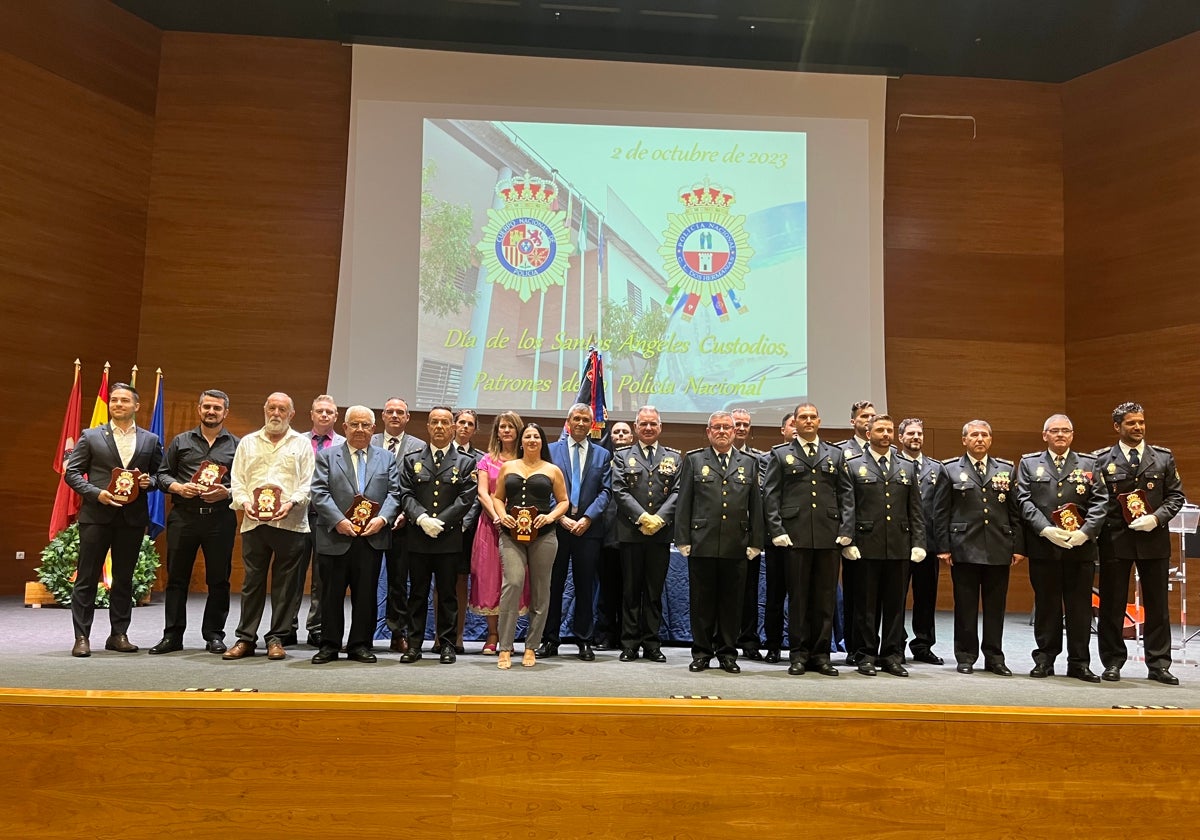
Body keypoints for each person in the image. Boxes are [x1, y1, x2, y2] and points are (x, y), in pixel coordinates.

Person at [64, 383, 163, 657]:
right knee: (86, 578)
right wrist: (96, 494)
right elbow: (72, 473)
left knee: (124, 579)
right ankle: (81, 637)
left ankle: (118, 634)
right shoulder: (91, 436)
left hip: (131, 519)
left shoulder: (150, 440)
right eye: (115, 400)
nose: (118, 404)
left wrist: (148, 481)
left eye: (124, 401)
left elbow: (159, 476)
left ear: (136, 406)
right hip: (96, 517)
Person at [1092, 402, 1186, 684]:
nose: (1138, 427)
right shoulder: (1102, 460)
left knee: (1157, 604)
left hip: (1153, 539)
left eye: (1141, 422)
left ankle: (1158, 664)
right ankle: (1112, 661)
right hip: (1115, 539)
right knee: (1112, 603)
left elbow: (1176, 497)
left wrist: (1156, 518)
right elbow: (1097, 500)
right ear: (1117, 426)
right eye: (1131, 423)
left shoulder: (1162, 458)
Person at [1014, 414, 1108, 682]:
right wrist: (1045, 529)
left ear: (1072, 435)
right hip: (1045, 547)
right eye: (1054, 431)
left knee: (1079, 607)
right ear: (1044, 435)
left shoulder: (1090, 463)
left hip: (1080, 549)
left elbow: (1101, 502)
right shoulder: (1030, 464)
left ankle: (1079, 663)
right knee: (1047, 605)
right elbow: (1023, 501)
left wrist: (1085, 533)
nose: (1060, 435)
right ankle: (1045, 659)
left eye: (1065, 430)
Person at [932, 420, 1026, 675]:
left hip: (998, 546)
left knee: (996, 607)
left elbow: (1014, 510)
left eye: (984, 434)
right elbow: (941, 512)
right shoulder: (949, 469)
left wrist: (1017, 545)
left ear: (991, 440)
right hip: (963, 547)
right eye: (974, 435)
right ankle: (965, 655)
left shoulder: (1006, 468)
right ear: (964, 440)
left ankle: (994, 657)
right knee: (965, 606)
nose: (980, 439)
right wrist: (943, 546)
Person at [225, 392, 314, 661]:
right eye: (272, 408)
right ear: (265, 410)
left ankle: (277, 638)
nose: (276, 413)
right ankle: (245, 639)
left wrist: (292, 502)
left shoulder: (302, 444)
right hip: (254, 522)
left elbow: (308, 483)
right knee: (252, 582)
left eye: (282, 409)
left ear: (291, 414)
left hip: (291, 522)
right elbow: (237, 479)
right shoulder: (248, 443)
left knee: (285, 585)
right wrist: (243, 502)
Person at [150, 389, 239, 655]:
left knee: (219, 580)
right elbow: (162, 475)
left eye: (217, 408)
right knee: (176, 578)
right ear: (199, 409)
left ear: (225, 412)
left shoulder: (237, 444)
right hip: (184, 517)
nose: (211, 412)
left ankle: (214, 634)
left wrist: (229, 491)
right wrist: (177, 487)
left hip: (220, 519)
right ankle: (172, 635)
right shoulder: (181, 441)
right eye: (207, 407)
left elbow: (246, 481)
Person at [308, 406, 400, 664]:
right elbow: (319, 492)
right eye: (355, 425)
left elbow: (395, 494)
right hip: (335, 536)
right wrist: (338, 520)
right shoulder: (327, 456)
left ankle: (360, 644)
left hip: (371, 538)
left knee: (366, 595)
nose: (360, 430)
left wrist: (382, 520)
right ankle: (329, 645)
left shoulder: (386, 458)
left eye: (365, 425)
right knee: (330, 595)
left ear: (373, 429)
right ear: (345, 428)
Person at [763, 402, 848, 676]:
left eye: (812, 417)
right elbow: (771, 496)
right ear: (795, 423)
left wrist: (846, 530)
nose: (808, 421)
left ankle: (821, 655)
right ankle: (798, 654)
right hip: (794, 537)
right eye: (803, 417)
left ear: (819, 421)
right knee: (798, 598)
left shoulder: (835, 454)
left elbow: (846, 495)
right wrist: (777, 530)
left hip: (828, 536)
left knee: (825, 599)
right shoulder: (780, 454)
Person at [675, 411, 764, 674]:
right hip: (702, 542)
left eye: (728, 427)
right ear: (708, 431)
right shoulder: (694, 460)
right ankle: (701, 652)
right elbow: (684, 503)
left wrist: (756, 541)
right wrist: (682, 538)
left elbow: (755, 505)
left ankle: (727, 653)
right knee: (702, 602)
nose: (723, 431)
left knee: (731, 603)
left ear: (735, 431)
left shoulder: (748, 462)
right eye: (717, 427)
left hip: (736, 544)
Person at [838, 414, 925, 677]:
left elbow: (915, 510)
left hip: (898, 546)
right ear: (868, 434)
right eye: (880, 430)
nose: (885, 434)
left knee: (895, 605)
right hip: (866, 545)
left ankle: (891, 655)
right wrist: (848, 540)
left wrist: (919, 542)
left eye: (889, 430)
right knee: (866, 606)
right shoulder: (853, 466)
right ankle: (865, 654)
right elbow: (848, 507)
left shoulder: (907, 467)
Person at [397, 406, 478, 664]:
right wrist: (422, 518)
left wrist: (439, 522)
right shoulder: (412, 460)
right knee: (418, 594)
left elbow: (466, 498)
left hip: (448, 538)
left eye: (445, 422)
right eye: (435, 422)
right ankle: (414, 645)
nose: (440, 427)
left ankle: (447, 645)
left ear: (453, 427)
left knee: (447, 595)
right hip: (418, 537)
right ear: (428, 427)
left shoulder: (466, 462)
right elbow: (405, 494)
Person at [492, 423, 570, 670]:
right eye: (528, 436)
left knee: (540, 590)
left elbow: (564, 501)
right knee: (513, 583)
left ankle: (531, 646)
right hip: (511, 535)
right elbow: (497, 497)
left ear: (542, 441)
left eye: (537, 436)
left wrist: (551, 517)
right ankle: (505, 647)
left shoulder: (552, 469)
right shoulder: (508, 467)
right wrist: (501, 514)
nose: (532, 440)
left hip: (544, 536)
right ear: (521, 441)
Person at [541, 403, 613, 661]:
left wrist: (587, 518)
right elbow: (545, 488)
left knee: (585, 587)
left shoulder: (602, 455)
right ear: (568, 422)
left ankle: (584, 640)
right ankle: (549, 639)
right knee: (554, 585)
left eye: (586, 419)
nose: (581, 423)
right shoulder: (550, 450)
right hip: (557, 530)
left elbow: (606, 492)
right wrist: (560, 517)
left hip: (588, 530)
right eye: (577, 418)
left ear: (592, 424)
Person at [612, 406, 679, 663]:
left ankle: (652, 644)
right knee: (630, 591)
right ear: (636, 427)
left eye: (653, 424)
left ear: (660, 427)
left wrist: (659, 519)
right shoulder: (621, 456)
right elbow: (619, 490)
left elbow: (677, 491)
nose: (648, 428)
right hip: (632, 531)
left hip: (660, 534)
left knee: (653, 592)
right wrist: (642, 517)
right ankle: (629, 644)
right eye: (644, 424)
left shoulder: (673, 457)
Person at [289, 394, 345, 648]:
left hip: (328, 520)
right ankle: (286, 626)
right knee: (292, 574)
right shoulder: (295, 441)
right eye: (319, 411)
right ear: (311, 414)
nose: (324, 415)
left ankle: (317, 627)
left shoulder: (344, 445)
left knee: (322, 578)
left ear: (336, 417)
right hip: (296, 516)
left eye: (329, 412)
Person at [470, 411, 527, 654]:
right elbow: (483, 493)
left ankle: (508, 636)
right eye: (502, 427)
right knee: (489, 580)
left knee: (514, 582)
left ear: (518, 431)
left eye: (511, 427)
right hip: (490, 526)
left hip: (521, 529)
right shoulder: (487, 460)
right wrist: (497, 517)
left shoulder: (527, 459)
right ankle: (493, 635)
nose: (506, 431)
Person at [372, 397, 425, 653]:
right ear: (382, 416)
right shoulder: (367, 442)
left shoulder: (419, 447)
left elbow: (419, 488)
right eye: (390, 411)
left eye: (400, 412)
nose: (395, 415)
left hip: (403, 525)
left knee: (398, 581)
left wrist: (405, 513)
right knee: (366, 580)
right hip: (368, 523)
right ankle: (362, 632)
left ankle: (397, 632)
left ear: (407, 418)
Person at [431, 407, 482, 654]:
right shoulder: (435, 454)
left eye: (470, 424)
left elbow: (474, 498)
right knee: (439, 584)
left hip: (463, 529)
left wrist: (461, 523)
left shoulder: (479, 458)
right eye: (460, 422)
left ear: (474, 429)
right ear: (453, 425)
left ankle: (457, 635)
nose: (464, 427)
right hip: (435, 527)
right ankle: (439, 637)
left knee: (459, 581)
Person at [897, 417, 946, 665]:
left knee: (926, 598)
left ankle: (923, 645)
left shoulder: (937, 469)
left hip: (928, 543)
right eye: (911, 434)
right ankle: (896, 644)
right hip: (898, 543)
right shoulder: (892, 465)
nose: (916, 437)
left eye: (919, 433)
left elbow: (943, 509)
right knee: (896, 598)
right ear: (901, 438)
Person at [838, 399, 876, 666]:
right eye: (864, 416)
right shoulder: (842, 452)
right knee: (854, 594)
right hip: (854, 535)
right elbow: (841, 497)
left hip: (882, 536)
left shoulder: (889, 451)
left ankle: (873, 646)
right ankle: (853, 647)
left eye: (873, 416)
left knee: (878, 598)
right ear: (854, 422)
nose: (869, 420)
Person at [731, 407, 767, 660]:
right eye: (737, 424)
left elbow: (763, 496)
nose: (741, 428)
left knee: (748, 592)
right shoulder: (707, 457)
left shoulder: (760, 459)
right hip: (718, 535)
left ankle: (748, 639)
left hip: (747, 536)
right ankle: (719, 639)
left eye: (745, 424)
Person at [595, 420, 634, 650]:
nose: (620, 435)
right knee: (607, 591)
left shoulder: (639, 461)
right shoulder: (602, 462)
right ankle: (606, 634)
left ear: (632, 437)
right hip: (607, 535)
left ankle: (628, 635)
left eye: (625, 432)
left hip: (633, 534)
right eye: (616, 432)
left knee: (631, 590)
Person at [762, 411, 796, 663]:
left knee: (802, 597)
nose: (797, 428)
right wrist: (777, 530)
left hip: (806, 538)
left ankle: (799, 646)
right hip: (777, 537)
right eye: (792, 424)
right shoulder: (770, 458)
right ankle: (773, 645)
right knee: (775, 595)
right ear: (782, 430)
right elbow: (768, 496)